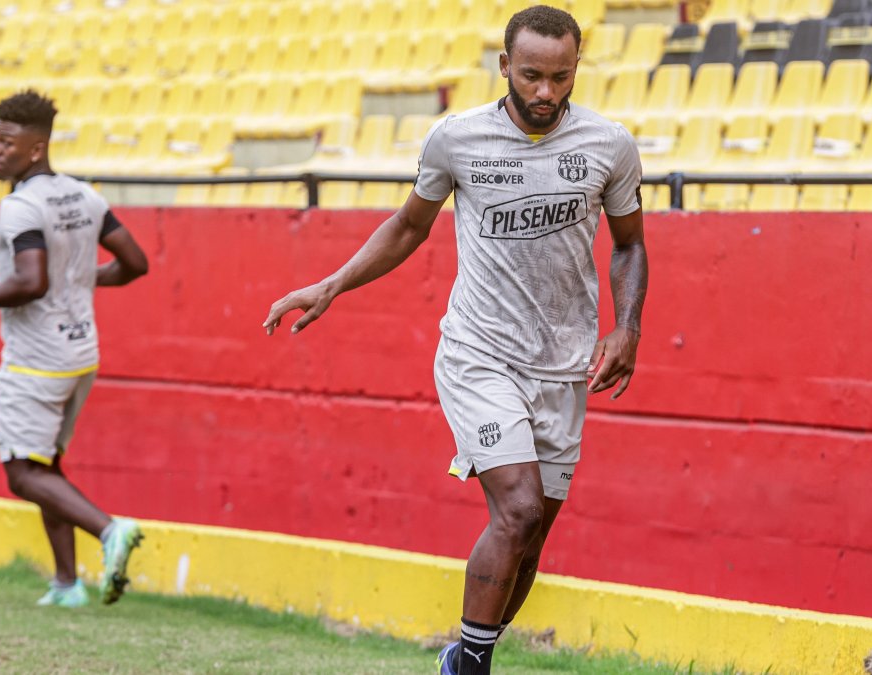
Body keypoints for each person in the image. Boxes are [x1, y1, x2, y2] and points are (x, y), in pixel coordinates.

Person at [263, 6, 647, 673]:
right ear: (505, 66)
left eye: (560, 76)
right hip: (479, 355)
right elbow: (409, 227)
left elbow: (631, 245)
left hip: (564, 366)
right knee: (519, 506)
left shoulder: (609, 145)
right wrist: (333, 282)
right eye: (531, 75)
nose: (545, 92)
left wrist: (628, 325)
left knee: (530, 537)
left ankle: (462, 655)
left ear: (577, 68)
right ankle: (471, 669)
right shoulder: (457, 139)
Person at [0, 90, 149, 608]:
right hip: (81, 355)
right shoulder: (83, 195)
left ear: (35, 148)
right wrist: (81, 280)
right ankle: (66, 584)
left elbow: (30, 282)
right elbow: (135, 262)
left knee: (22, 472)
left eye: (7, 142)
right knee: (47, 468)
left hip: (35, 360)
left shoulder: (20, 206)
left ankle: (109, 532)